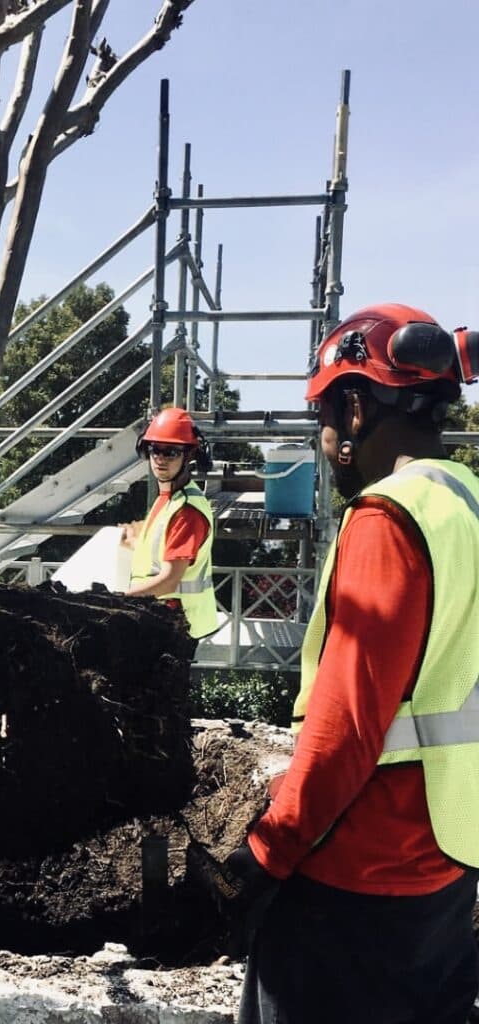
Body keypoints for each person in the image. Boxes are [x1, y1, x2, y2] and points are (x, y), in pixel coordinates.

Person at [206, 304, 479, 1024]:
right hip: (450, 861)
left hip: (357, 878)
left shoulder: (389, 519)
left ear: (355, 407)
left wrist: (265, 854)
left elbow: (347, 730)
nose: (325, 444)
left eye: (323, 419)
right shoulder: (470, 507)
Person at [121, 406, 218, 639]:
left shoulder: (186, 510)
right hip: (161, 619)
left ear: (189, 455)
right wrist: (135, 541)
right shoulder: (168, 498)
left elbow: (169, 580)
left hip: (175, 626)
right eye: (155, 450)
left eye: (171, 452)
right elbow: (161, 551)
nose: (161, 459)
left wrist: (120, 600)